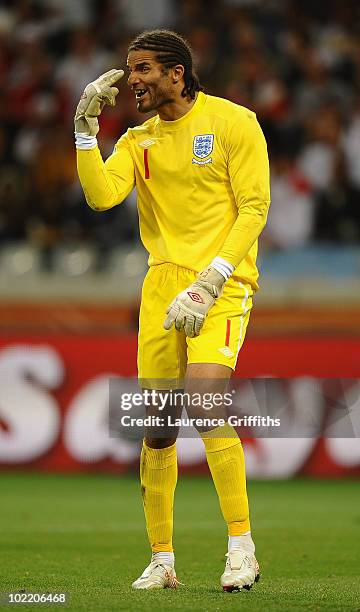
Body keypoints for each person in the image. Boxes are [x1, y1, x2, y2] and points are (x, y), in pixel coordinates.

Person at [74, 29, 270, 592]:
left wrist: (214, 277)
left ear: (176, 73)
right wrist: (86, 135)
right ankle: (162, 560)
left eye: (142, 69)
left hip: (224, 282)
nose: (130, 79)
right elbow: (101, 196)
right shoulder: (140, 140)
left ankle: (242, 550)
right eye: (129, 68)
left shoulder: (234, 123)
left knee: (207, 402)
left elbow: (255, 208)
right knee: (157, 429)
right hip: (162, 286)